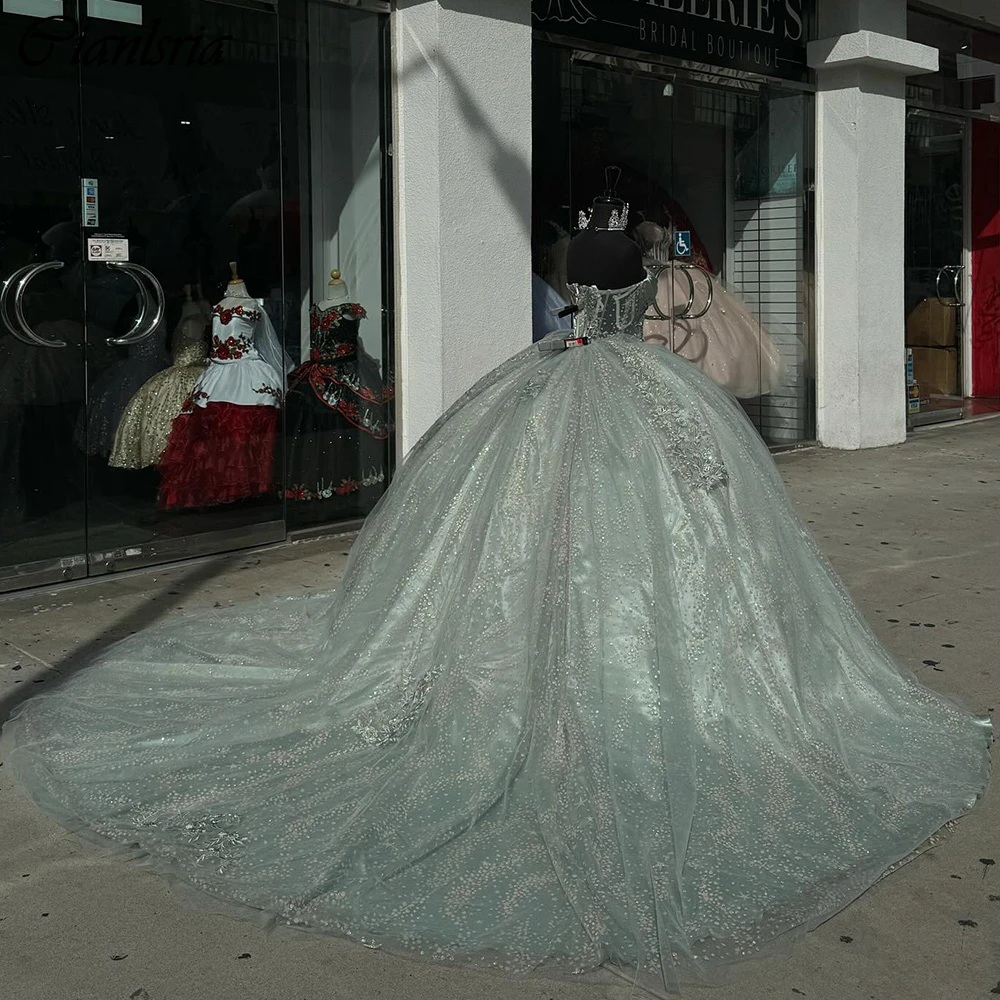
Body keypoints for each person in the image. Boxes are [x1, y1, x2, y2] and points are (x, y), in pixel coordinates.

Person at [2, 191, 992, 997]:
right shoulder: (617, 270)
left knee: (605, 527)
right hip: (605, 385)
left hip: (592, 383)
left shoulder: (593, 274)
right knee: (573, 524)